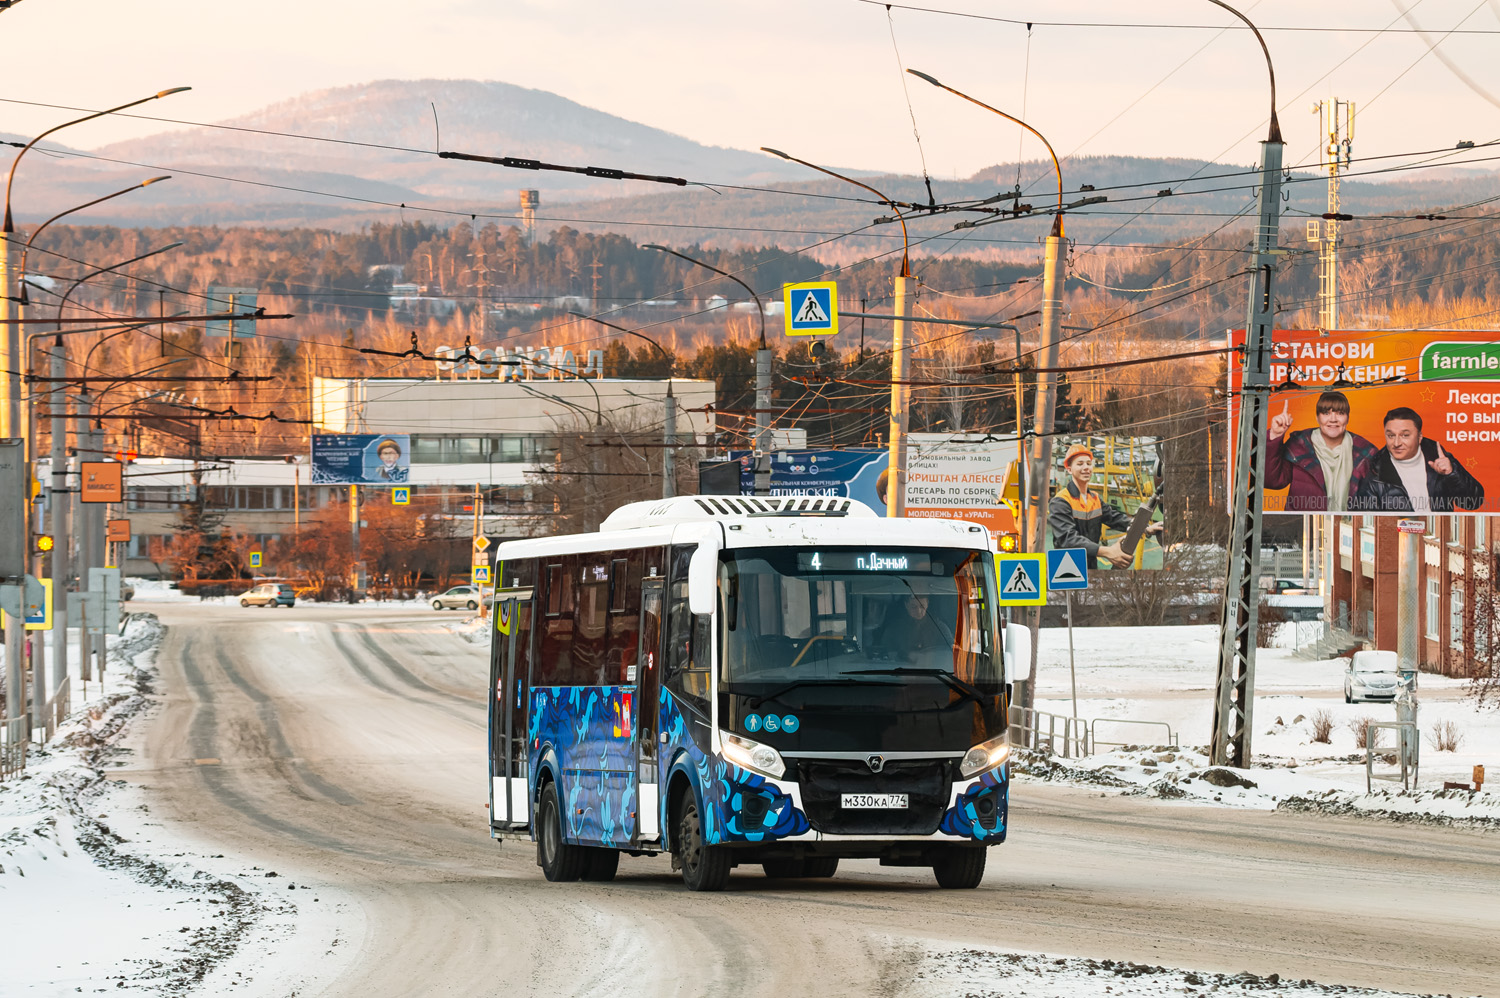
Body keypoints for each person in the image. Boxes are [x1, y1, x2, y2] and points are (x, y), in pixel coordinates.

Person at [1048, 444, 1162, 569]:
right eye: (1080, 464)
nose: (1086, 467)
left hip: (1090, 562)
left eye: (1088, 463)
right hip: (1066, 564)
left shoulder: (1095, 498)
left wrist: (1145, 528)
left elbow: (1115, 518)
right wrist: (1107, 552)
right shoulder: (1060, 501)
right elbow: (1067, 539)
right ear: (1069, 469)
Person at [1350, 407, 1483, 512]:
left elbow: (1473, 503)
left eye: (1405, 435)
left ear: (1419, 437)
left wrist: (1451, 474)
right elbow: (1369, 520)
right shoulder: (1375, 474)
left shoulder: (1439, 458)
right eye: (1390, 435)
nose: (1396, 443)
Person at [1264, 391, 1376, 512]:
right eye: (1326, 413)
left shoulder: (1366, 452)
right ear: (1317, 417)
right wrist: (1275, 435)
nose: (1333, 419)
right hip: (1302, 523)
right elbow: (1271, 481)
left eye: (1340, 413)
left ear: (1347, 418)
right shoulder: (1299, 445)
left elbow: (1377, 500)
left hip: (1345, 523)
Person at [877, 592, 951, 666]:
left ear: (927, 604)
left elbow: (950, 652)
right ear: (906, 605)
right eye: (913, 607)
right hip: (901, 672)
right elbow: (886, 654)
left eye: (922, 606)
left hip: (933, 672)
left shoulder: (940, 628)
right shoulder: (894, 629)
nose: (918, 611)